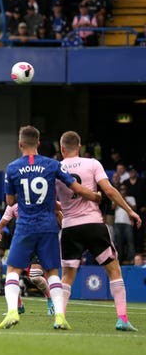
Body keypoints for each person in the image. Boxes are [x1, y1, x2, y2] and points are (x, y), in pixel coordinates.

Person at [0, 126, 101, 330]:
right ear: (38, 143)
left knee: (13, 270)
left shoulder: (12, 168)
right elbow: (75, 187)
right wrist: (95, 197)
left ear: (20, 144)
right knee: (52, 272)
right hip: (48, 226)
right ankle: (60, 316)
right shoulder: (52, 165)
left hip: (25, 225)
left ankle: (12, 311)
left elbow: (10, 202)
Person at [55, 131, 141, 332]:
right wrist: (129, 211)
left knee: (67, 275)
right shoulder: (92, 163)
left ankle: (60, 317)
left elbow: (52, 202)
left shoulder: (56, 168)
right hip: (93, 225)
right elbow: (109, 190)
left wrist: (63, 215)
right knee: (114, 270)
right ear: (80, 147)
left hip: (69, 228)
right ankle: (122, 319)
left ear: (62, 149)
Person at [0, 203, 55, 316]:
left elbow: (55, 211)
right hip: (21, 244)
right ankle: (18, 306)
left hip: (37, 243)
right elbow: (1, 224)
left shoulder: (37, 200)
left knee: (35, 277)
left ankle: (51, 300)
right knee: (11, 277)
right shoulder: (12, 205)